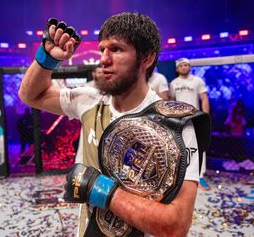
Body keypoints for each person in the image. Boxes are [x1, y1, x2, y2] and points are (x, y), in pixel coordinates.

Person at [19, 13, 209, 236]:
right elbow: (30, 95)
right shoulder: (90, 101)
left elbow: (176, 226)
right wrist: (47, 59)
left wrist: (101, 190)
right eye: (102, 49)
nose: (104, 59)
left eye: (116, 49)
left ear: (146, 58)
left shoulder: (177, 127)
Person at [169, 57, 211, 191]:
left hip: (196, 118)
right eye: (181, 65)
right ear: (177, 69)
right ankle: (181, 175)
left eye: (186, 65)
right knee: (179, 146)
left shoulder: (197, 81)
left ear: (190, 67)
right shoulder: (173, 83)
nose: (184, 67)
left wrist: (206, 115)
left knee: (199, 145)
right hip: (179, 119)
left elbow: (204, 98)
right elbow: (170, 100)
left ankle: (200, 176)